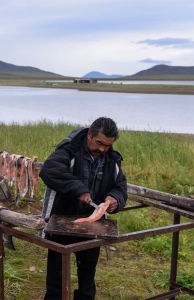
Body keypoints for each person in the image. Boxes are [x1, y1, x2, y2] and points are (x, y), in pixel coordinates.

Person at [39, 117, 128, 300]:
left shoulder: (112, 160)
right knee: (57, 275)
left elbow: (120, 186)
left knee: (87, 274)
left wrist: (114, 200)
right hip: (61, 220)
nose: (103, 149)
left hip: (92, 224)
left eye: (108, 145)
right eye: (100, 143)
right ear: (89, 135)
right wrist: (78, 189)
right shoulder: (69, 150)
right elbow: (49, 170)